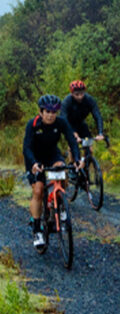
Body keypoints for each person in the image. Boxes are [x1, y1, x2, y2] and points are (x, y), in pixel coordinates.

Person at [23, 95, 83, 247]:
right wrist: (34, 163)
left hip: (52, 155)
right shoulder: (33, 124)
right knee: (38, 190)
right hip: (35, 159)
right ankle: (37, 230)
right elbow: (27, 148)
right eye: (47, 112)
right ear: (41, 112)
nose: (50, 115)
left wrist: (77, 159)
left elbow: (71, 140)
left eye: (54, 112)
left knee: (63, 174)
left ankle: (59, 203)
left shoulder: (61, 122)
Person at [61, 80, 105, 146]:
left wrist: (100, 133)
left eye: (82, 94)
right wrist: (73, 133)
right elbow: (63, 119)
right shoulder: (67, 102)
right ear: (72, 93)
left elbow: (97, 116)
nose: (80, 97)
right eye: (77, 94)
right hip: (69, 125)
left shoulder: (89, 100)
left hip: (81, 124)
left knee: (89, 145)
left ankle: (88, 155)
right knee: (73, 147)